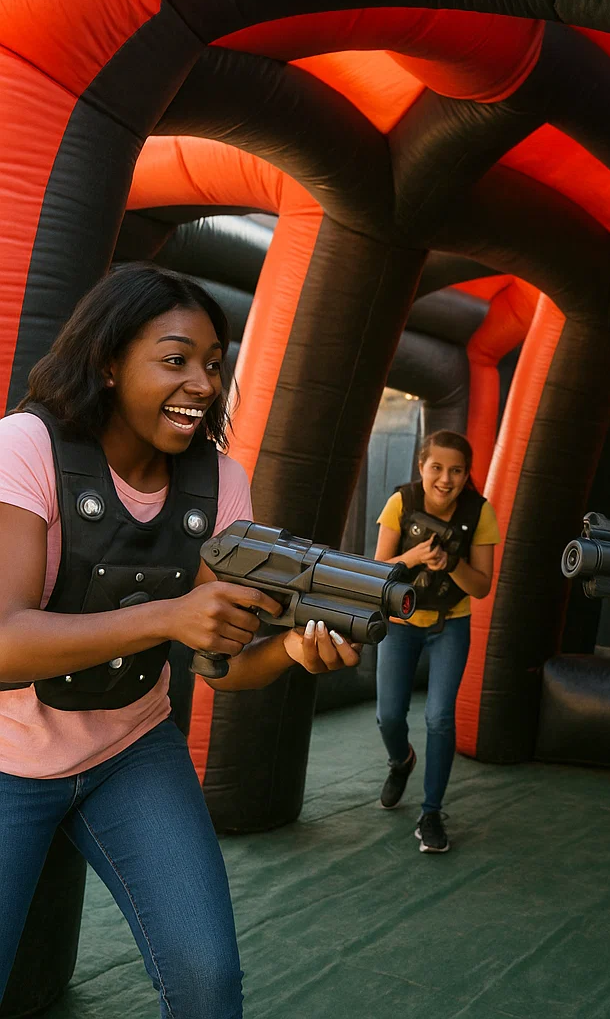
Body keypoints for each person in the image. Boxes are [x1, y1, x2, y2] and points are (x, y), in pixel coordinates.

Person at [0, 263, 359, 1017]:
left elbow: (221, 668)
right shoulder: (25, 447)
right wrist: (167, 616)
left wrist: (293, 650)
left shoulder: (219, 482)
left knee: (206, 982)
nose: (202, 382)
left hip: (130, 748)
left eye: (212, 364)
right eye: (175, 360)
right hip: (5, 758)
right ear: (107, 361)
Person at [373, 430, 499, 853]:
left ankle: (431, 812)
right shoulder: (400, 503)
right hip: (401, 621)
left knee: (440, 718)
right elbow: (377, 571)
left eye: (457, 471)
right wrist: (413, 558)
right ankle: (401, 760)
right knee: (389, 716)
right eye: (437, 468)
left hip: (450, 624)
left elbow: (480, 587)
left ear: (467, 475)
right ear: (421, 468)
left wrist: (451, 563)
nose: (446, 479)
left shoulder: (479, 513)